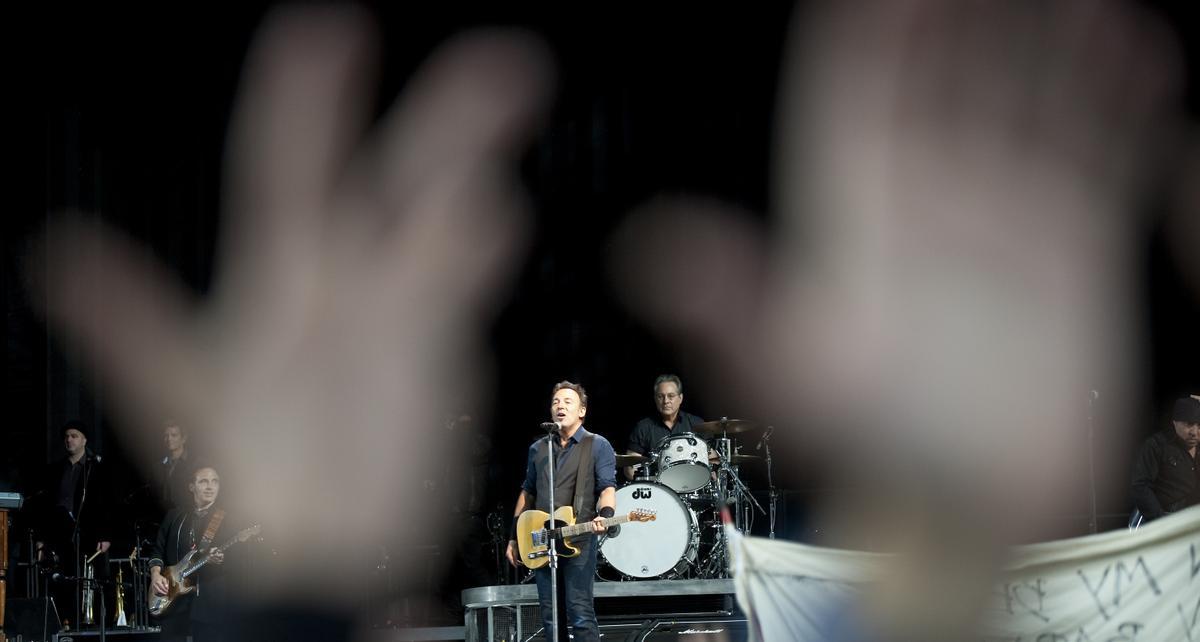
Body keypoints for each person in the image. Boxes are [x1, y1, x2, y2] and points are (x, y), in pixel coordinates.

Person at [505, 381, 617, 642]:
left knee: (580, 613)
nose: (560, 406)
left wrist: (607, 515)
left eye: (567, 401)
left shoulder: (597, 445)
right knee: (551, 618)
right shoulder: (538, 448)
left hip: (578, 538)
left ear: (582, 411)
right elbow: (527, 492)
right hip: (543, 540)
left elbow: (607, 487)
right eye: (555, 402)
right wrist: (513, 536)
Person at [34, 420, 111, 630]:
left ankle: (85, 624)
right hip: (59, 535)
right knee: (60, 581)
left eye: (74, 435)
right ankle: (63, 624)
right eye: (67, 436)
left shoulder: (94, 468)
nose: (69, 439)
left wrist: (104, 535)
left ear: (84, 440)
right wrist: (41, 541)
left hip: (86, 535)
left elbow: (104, 504)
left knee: (84, 580)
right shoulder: (55, 470)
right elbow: (46, 506)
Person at [148, 465, 233, 642]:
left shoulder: (227, 518)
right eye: (203, 481)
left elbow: (239, 556)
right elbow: (158, 550)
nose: (210, 487)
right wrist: (156, 575)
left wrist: (223, 558)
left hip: (209, 601)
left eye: (215, 481)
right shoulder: (174, 516)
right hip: (173, 599)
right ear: (191, 487)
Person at [1131, 396, 1200, 523]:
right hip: (1159, 519)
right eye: (1189, 424)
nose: (1194, 432)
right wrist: (1161, 522)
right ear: (1175, 422)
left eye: (1199, 426)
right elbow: (1141, 486)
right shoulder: (1157, 445)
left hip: (1191, 521)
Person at [623, 375, 705, 481]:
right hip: (657, 489)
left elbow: (712, 459)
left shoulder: (697, 424)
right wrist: (648, 485)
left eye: (671, 396)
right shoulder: (643, 427)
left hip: (692, 486)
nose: (666, 401)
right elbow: (630, 467)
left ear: (680, 398)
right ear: (655, 399)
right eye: (660, 396)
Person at [157, 421, 193, 515]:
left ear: (184, 438)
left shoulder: (195, 463)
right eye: (166, 435)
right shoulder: (158, 465)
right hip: (162, 517)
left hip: (186, 516)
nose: (169, 439)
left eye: (174, 435)